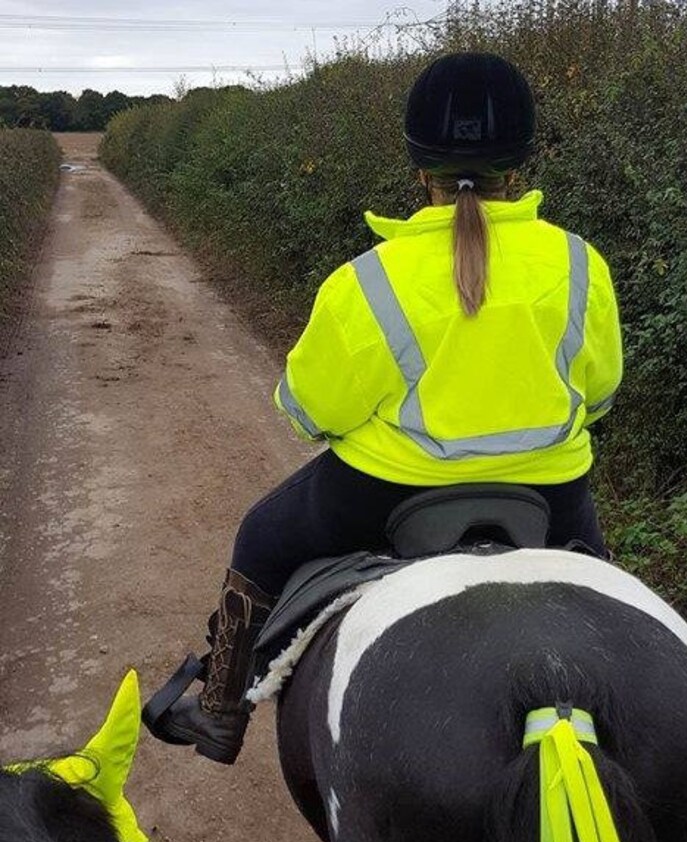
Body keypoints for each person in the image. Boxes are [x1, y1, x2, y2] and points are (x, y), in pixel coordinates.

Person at [144, 51, 622, 765]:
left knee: (262, 538)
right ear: (519, 163)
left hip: (386, 490)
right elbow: (602, 391)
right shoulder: (581, 264)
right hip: (550, 493)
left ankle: (219, 711)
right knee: (614, 603)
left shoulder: (364, 282)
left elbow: (308, 410)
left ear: (417, 166)